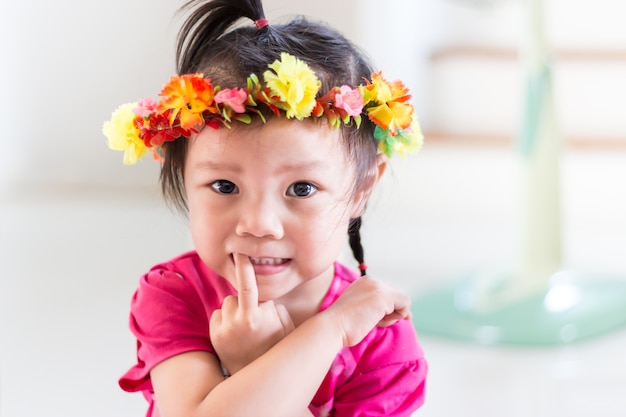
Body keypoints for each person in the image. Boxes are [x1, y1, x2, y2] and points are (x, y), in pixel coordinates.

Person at [103, 0, 427, 415]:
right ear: (182, 178)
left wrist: (267, 360)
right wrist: (329, 331)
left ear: (361, 188)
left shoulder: (380, 338)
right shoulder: (177, 294)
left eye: (302, 188)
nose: (259, 224)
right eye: (224, 185)